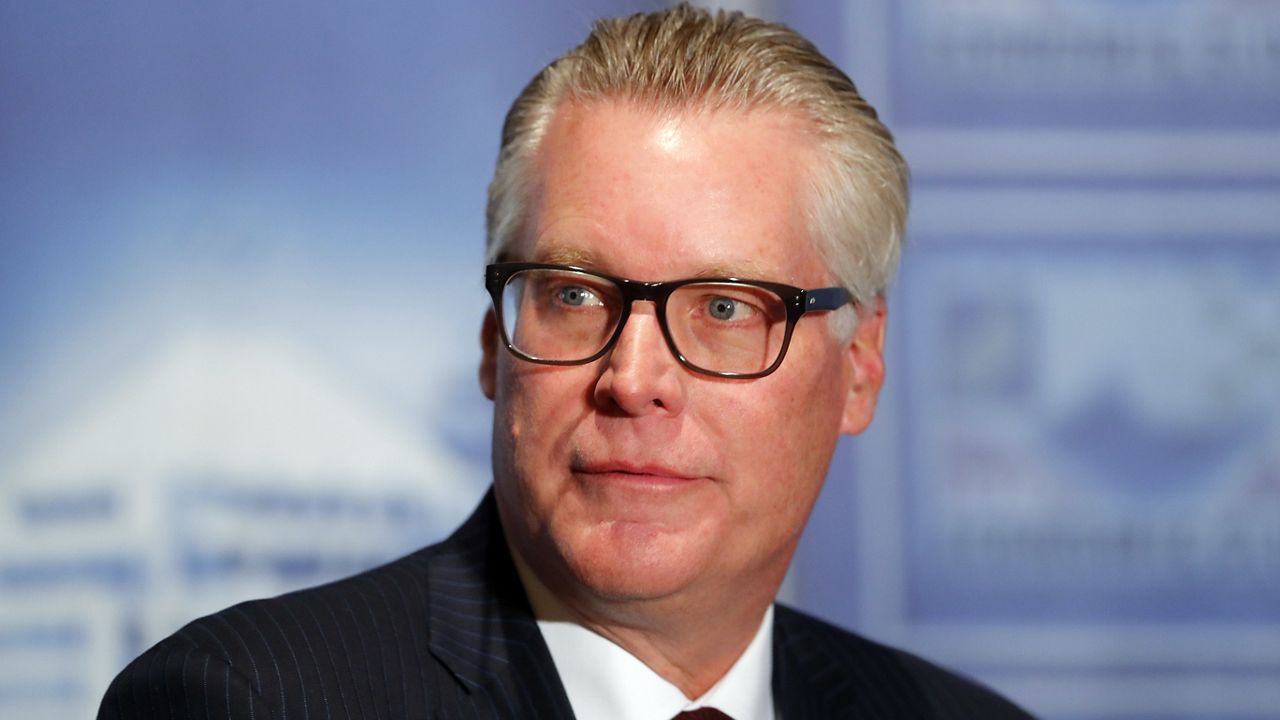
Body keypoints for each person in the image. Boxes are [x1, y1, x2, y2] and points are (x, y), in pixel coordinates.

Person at [99, 5, 1033, 719]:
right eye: (575, 295)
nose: (633, 380)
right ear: (489, 346)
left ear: (860, 366)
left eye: (723, 309)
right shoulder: (247, 701)